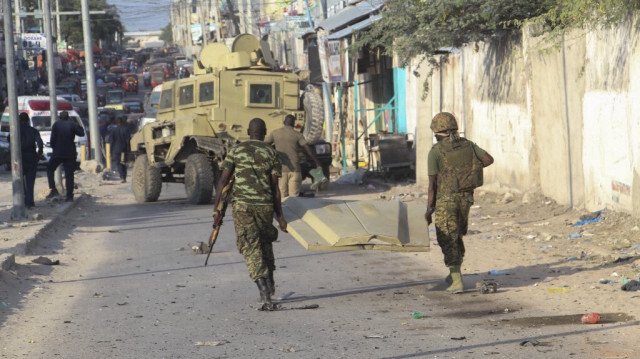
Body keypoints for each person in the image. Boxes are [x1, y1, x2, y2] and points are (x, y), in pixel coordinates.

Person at [213, 118, 287, 311]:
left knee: (250, 246)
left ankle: (263, 290)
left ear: (248, 131)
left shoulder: (236, 151)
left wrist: (217, 209)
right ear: (264, 132)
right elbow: (275, 188)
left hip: (243, 207)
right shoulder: (272, 152)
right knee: (264, 242)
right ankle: (269, 284)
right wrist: (280, 216)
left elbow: (222, 182)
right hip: (265, 206)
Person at [425, 112, 494, 294]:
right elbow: (488, 159)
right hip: (466, 199)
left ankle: (457, 281)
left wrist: (428, 210)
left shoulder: (436, 152)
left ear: (438, 132)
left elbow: (432, 185)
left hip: (445, 201)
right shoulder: (468, 145)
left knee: (447, 237)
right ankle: (453, 274)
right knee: (457, 235)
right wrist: (468, 171)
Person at [264, 114, 321, 198]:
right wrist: (317, 162)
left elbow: (264, 145)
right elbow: (308, 149)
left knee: (282, 197)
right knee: (294, 198)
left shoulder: (274, 133)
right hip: (295, 170)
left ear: (284, 122)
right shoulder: (298, 135)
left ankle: (283, 211)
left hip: (281, 170)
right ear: (294, 124)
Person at [46, 111, 85, 202]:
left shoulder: (56, 125)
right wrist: (76, 124)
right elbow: (81, 133)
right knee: (69, 175)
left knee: (50, 168)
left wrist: (54, 148)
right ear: (68, 117)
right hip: (70, 153)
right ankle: (69, 196)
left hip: (58, 152)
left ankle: (53, 188)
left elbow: (52, 140)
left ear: (59, 117)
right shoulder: (72, 124)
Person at [8, 113, 43, 208]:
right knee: (30, 181)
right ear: (28, 120)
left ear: (19, 120)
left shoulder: (15, 130)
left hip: (19, 158)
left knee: (19, 180)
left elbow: (9, 141)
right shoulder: (33, 130)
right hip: (31, 157)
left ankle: (22, 200)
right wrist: (39, 154)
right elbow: (40, 143)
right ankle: (29, 202)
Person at [109, 116, 131, 183]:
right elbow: (128, 140)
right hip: (124, 149)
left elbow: (112, 141)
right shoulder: (126, 129)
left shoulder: (114, 130)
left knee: (118, 163)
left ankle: (122, 176)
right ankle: (124, 176)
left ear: (116, 123)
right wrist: (128, 150)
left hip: (116, 150)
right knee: (123, 162)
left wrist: (110, 151)